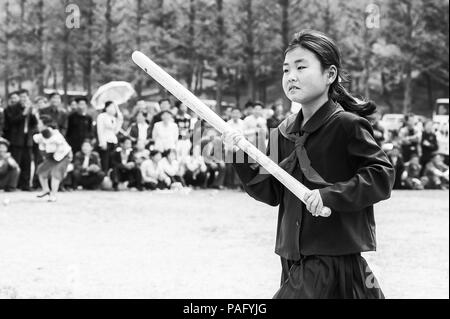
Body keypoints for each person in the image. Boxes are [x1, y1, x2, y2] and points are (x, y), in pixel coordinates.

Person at [223, 30, 394, 299]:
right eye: (286, 69)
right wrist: (238, 157)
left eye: (301, 67)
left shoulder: (346, 125)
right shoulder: (282, 131)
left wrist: (329, 196)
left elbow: (381, 176)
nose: (291, 76)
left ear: (330, 74)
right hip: (292, 255)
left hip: (331, 255)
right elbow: (270, 191)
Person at [3, 90, 38, 191]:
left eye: (25, 97)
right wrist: (23, 113)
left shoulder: (30, 109)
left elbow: (34, 123)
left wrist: (32, 114)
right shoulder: (11, 109)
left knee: (27, 163)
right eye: (21, 97)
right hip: (16, 140)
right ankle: (14, 185)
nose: (23, 99)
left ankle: (25, 185)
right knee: (16, 163)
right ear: (18, 98)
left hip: (28, 141)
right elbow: (11, 122)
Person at [33, 127, 72, 202]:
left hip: (63, 156)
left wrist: (46, 152)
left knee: (55, 174)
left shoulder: (58, 140)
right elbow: (35, 138)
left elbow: (57, 156)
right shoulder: (42, 136)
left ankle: (53, 195)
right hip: (52, 156)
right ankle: (45, 189)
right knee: (41, 170)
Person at [96, 101, 124, 173]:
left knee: (113, 162)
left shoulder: (114, 118)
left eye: (114, 107)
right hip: (105, 141)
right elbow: (100, 130)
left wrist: (119, 120)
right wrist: (102, 142)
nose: (112, 109)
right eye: (110, 107)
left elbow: (115, 131)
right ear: (106, 107)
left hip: (113, 141)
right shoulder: (102, 116)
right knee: (105, 162)